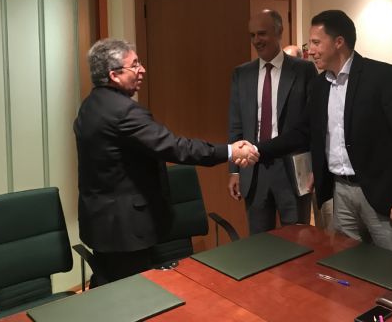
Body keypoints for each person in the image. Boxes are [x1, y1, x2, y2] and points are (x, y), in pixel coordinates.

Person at [74, 38, 257, 287]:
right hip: (125, 229)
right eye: (134, 65)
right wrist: (229, 151)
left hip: (101, 222)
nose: (142, 70)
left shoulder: (90, 105)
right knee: (135, 293)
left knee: (111, 287)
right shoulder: (123, 111)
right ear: (114, 75)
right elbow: (175, 147)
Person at [256, 10, 392, 254]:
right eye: (309, 44)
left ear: (338, 42)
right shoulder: (320, 85)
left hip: (382, 195)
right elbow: (303, 133)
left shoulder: (381, 77)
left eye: (316, 43)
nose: (310, 51)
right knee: (347, 267)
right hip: (340, 192)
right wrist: (256, 149)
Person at [227, 10, 317, 234]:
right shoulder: (242, 74)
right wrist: (234, 171)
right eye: (252, 35)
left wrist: (317, 167)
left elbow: (314, 124)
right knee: (259, 243)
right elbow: (236, 125)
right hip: (254, 170)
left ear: (279, 32)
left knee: (297, 239)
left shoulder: (303, 70)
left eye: (262, 33)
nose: (256, 40)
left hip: (292, 170)